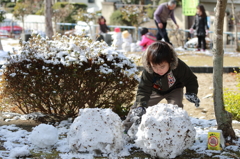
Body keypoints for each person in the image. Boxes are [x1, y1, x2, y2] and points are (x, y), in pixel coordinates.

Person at [123, 41, 200, 133]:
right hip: (155, 90)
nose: (158, 70)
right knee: (137, 108)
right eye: (154, 67)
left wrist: (191, 92)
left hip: (174, 88)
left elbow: (190, 78)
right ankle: (126, 127)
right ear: (149, 63)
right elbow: (143, 89)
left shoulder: (178, 66)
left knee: (176, 106)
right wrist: (141, 105)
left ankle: (176, 130)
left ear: (170, 61)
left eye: (162, 66)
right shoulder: (149, 71)